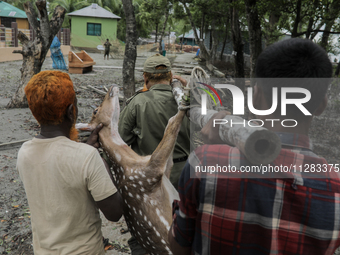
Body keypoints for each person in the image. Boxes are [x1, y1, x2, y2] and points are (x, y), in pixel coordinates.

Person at [168, 38, 340, 255]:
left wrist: (218, 151)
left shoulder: (204, 162)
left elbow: (177, 247)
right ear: (322, 106)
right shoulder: (335, 189)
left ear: (256, 96)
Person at [17, 70, 123, 255]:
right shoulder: (87, 157)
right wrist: (97, 158)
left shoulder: (24, 152)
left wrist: (84, 148)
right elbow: (114, 213)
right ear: (71, 111)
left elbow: (58, 165)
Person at [118, 54, 191, 255]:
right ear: (170, 75)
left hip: (152, 179)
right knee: (186, 230)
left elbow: (122, 141)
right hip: (185, 173)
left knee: (148, 228)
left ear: (145, 78)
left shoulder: (137, 103)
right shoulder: (187, 100)